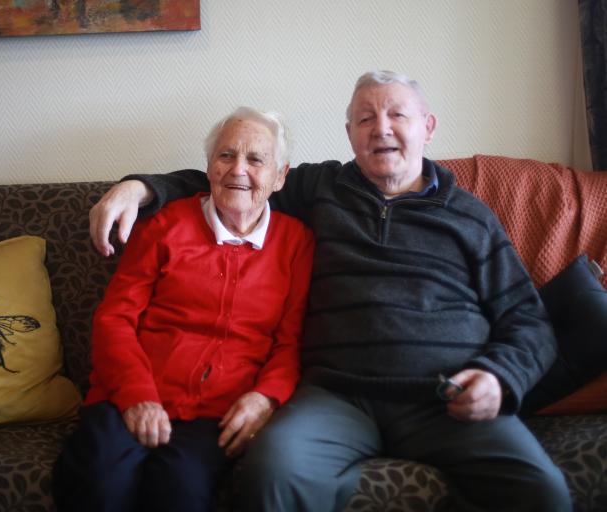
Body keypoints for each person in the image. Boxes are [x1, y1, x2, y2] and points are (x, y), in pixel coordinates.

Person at [88, 71, 572, 512]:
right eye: (365, 118)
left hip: (443, 400)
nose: (380, 128)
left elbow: (528, 321)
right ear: (350, 134)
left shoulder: (471, 216)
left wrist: (498, 377)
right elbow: (235, 180)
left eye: (396, 115)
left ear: (427, 126)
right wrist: (140, 188)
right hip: (336, 398)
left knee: (542, 491)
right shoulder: (323, 187)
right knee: (273, 473)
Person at [53, 107, 315, 512]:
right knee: (98, 484)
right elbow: (115, 318)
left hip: (218, 414)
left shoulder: (296, 242)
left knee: (181, 493)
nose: (238, 170)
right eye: (226, 155)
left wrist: (265, 398)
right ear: (208, 167)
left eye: (256, 159)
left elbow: (290, 342)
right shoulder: (165, 224)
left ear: (280, 176)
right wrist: (138, 396)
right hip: (129, 395)